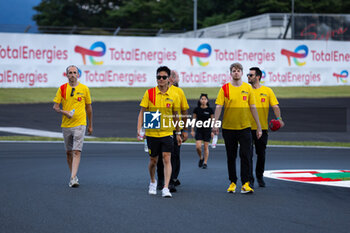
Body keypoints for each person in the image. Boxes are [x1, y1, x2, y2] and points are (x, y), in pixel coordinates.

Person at [212, 62, 262, 194]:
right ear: (230, 73)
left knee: (246, 155)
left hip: (245, 127)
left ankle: (246, 183)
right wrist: (215, 124)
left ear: (241, 73)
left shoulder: (248, 88)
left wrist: (259, 127)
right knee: (231, 156)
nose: (236, 72)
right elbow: (218, 107)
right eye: (234, 70)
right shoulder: (225, 88)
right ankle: (232, 182)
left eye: (239, 70)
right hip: (228, 128)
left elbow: (253, 107)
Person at [137, 66, 182, 198]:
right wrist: (139, 129)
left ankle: (166, 187)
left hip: (167, 132)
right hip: (152, 133)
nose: (161, 79)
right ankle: (152, 181)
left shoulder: (174, 95)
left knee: (167, 158)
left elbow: (176, 115)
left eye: (163, 77)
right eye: (158, 77)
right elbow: (142, 112)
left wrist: (178, 133)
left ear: (169, 79)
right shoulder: (149, 93)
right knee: (153, 160)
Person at [53, 65, 93, 188]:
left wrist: (90, 125)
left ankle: (72, 178)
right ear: (67, 75)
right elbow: (55, 107)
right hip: (66, 125)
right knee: (68, 153)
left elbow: (89, 108)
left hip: (80, 124)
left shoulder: (84, 89)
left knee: (76, 151)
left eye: (74, 72)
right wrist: (65, 112)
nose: (72, 75)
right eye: (70, 73)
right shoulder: (62, 89)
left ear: (78, 74)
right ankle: (74, 175)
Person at [247, 67, 285, 187]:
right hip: (246, 128)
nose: (248, 77)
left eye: (251, 75)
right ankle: (250, 179)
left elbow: (275, 106)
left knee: (261, 154)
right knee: (247, 154)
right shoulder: (245, 90)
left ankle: (259, 176)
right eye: (248, 75)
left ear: (258, 77)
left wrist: (279, 119)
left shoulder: (267, 91)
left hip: (262, 128)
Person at [156, 70, 189, 192]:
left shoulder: (178, 92)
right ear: (172, 79)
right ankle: (160, 180)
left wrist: (184, 129)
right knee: (160, 156)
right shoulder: (155, 91)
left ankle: (171, 180)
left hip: (175, 129)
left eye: (164, 77)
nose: (162, 79)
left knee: (174, 155)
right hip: (159, 129)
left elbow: (184, 111)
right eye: (161, 77)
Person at [191, 93, 214, 169]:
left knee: (205, 147)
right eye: (202, 99)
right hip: (199, 130)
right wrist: (192, 130)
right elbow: (193, 120)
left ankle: (205, 163)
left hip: (207, 130)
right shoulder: (196, 109)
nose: (203, 100)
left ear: (207, 100)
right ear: (200, 100)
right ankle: (201, 158)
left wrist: (213, 131)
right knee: (198, 147)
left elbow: (212, 121)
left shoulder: (210, 110)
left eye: (205, 99)